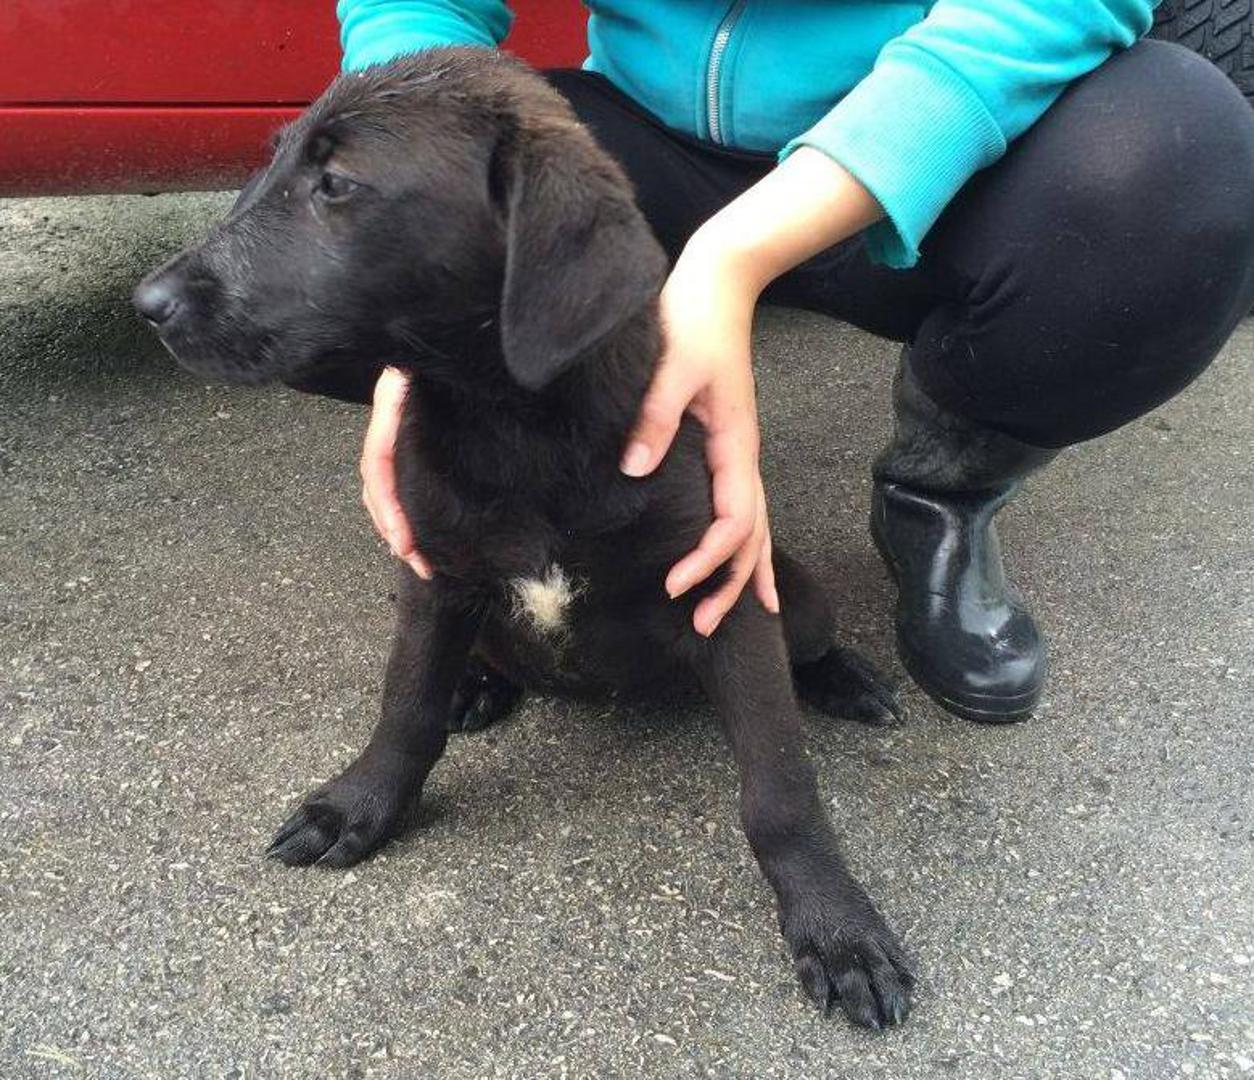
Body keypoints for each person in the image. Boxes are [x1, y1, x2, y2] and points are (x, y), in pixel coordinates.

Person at [332, 1, 1254, 723]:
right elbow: (421, 9)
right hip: (646, 136)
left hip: (935, 149)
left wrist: (734, 258)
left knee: (1176, 164)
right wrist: (429, 316)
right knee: (307, 275)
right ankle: (562, 534)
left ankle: (941, 491)